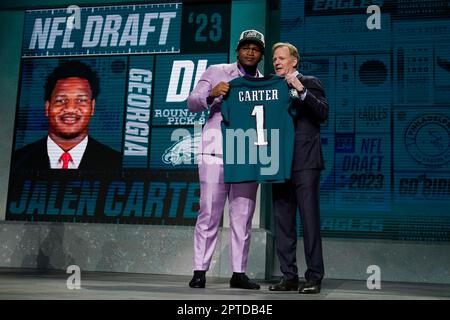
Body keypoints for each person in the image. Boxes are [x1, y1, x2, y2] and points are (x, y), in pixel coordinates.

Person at [187, 29, 265, 289]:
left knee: (242, 216)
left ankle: (239, 273)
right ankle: (200, 270)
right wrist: (212, 95)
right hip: (215, 151)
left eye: (255, 48)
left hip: (246, 154)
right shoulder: (216, 71)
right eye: (246, 47)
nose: (250, 52)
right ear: (238, 51)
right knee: (209, 213)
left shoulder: (265, 85)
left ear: (261, 54)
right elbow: (192, 101)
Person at [269, 42, 328, 294]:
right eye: (274, 59)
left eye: (282, 58)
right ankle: (288, 276)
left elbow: (323, 112)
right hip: (278, 162)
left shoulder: (310, 81)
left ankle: (314, 277)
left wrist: (300, 89)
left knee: (309, 221)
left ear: (294, 61)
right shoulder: (270, 88)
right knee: (283, 222)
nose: (277, 62)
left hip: (305, 163)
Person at [12, 60, 122, 172]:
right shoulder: (16, 162)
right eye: (61, 100)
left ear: (92, 107)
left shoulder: (117, 164)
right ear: (47, 107)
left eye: (81, 100)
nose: (70, 108)